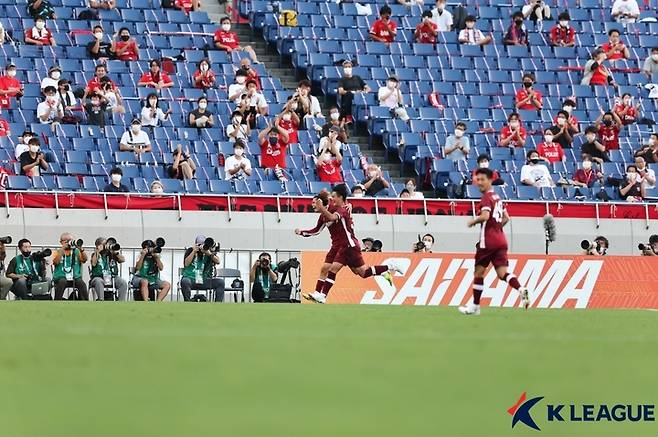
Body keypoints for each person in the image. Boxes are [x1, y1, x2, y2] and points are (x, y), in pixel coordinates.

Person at [296, 185, 401, 304]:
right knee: (360, 272)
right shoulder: (324, 215)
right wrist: (302, 232)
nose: (313, 205)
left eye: (315, 203)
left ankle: (322, 295)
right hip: (338, 246)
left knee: (334, 269)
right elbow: (317, 230)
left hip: (348, 245)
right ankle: (318, 294)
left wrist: (324, 206)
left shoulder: (339, 209)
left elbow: (333, 215)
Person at [459, 170, 530, 316]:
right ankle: (521, 289)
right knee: (502, 273)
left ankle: (475, 306)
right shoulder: (498, 197)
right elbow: (506, 218)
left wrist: (473, 221)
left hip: (488, 241)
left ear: (490, 180)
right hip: (501, 240)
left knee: (478, 272)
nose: (479, 182)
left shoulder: (486, 198)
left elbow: (485, 216)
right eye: (477, 179)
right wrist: (496, 229)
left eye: (482, 179)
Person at [180, 235, 225, 302]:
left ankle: (218, 304)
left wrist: (209, 254)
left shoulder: (208, 252)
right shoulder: (190, 250)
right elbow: (186, 264)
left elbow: (218, 261)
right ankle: (187, 302)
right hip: (191, 278)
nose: (201, 247)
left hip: (204, 279)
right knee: (185, 281)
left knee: (220, 282)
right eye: (199, 245)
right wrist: (194, 251)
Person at [52, 233, 88, 301]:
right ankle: (57, 301)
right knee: (62, 282)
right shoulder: (57, 252)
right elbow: (56, 262)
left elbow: (85, 260)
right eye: (67, 241)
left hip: (75, 276)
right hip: (61, 277)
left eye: (70, 240)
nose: (69, 242)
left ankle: (85, 302)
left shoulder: (76, 251)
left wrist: (81, 249)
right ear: (61, 242)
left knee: (81, 283)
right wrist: (63, 248)